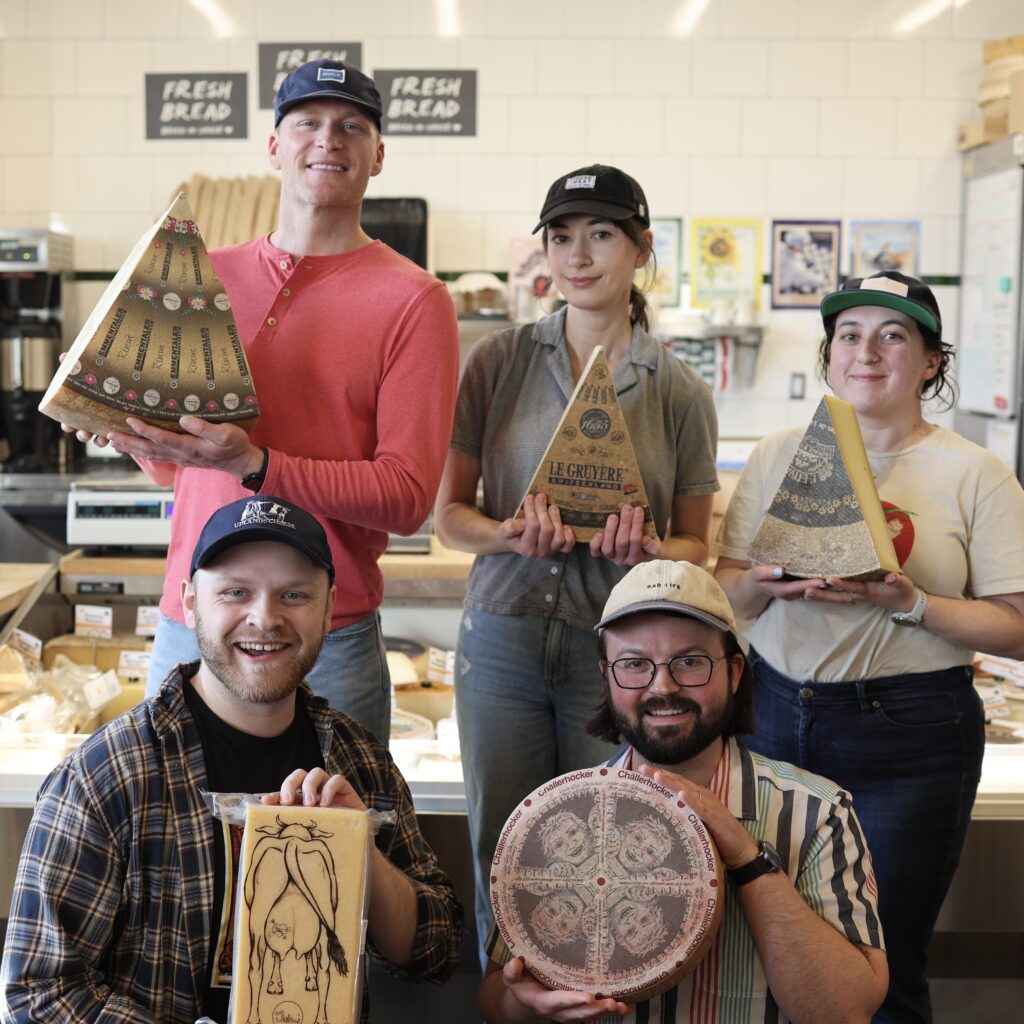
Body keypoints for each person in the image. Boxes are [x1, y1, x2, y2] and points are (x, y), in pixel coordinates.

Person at [67, 58, 460, 743]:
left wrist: (258, 463)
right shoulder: (203, 274)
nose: (328, 139)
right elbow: (178, 468)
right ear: (275, 146)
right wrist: (127, 430)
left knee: (331, 846)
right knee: (174, 848)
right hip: (193, 627)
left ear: (379, 155)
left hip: (325, 641)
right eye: (306, 121)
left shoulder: (415, 301)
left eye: (351, 126)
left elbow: (405, 498)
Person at [0, 495, 463, 1024]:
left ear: (330, 606)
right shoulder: (108, 775)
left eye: (294, 594)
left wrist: (361, 851)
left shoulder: (359, 760)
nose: (265, 619)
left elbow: (436, 952)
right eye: (235, 592)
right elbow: (37, 994)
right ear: (190, 602)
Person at [713, 271, 1024, 1023]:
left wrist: (912, 603)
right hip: (772, 719)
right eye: (849, 334)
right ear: (829, 354)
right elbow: (725, 595)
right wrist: (762, 582)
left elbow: (1016, 625)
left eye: (894, 335)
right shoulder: (779, 454)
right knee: (766, 953)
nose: (868, 351)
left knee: (879, 966)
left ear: (930, 363)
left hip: (910, 735)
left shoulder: (975, 473)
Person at [434, 163, 719, 960]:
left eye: (600, 234)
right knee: (506, 846)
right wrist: (506, 534)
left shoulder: (680, 391)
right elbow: (449, 516)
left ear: (642, 251)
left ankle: (599, 1003)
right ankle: (511, 1007)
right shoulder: (496, 362)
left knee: (605, 851)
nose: (578, 255)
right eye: (561, 237)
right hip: (501, 641)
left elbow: (699, 543)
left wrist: (655, 554)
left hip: (616, 653)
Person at [480, 559, 888, 1023]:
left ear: (735, 672)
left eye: (690, 662)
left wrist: (748, 858)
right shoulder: (557, 813)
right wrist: (525, 1003)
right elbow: (496, 998)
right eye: (634, 664)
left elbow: (845, 1013)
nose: (663, 686)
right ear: (606, 675)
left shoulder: (816, 812)